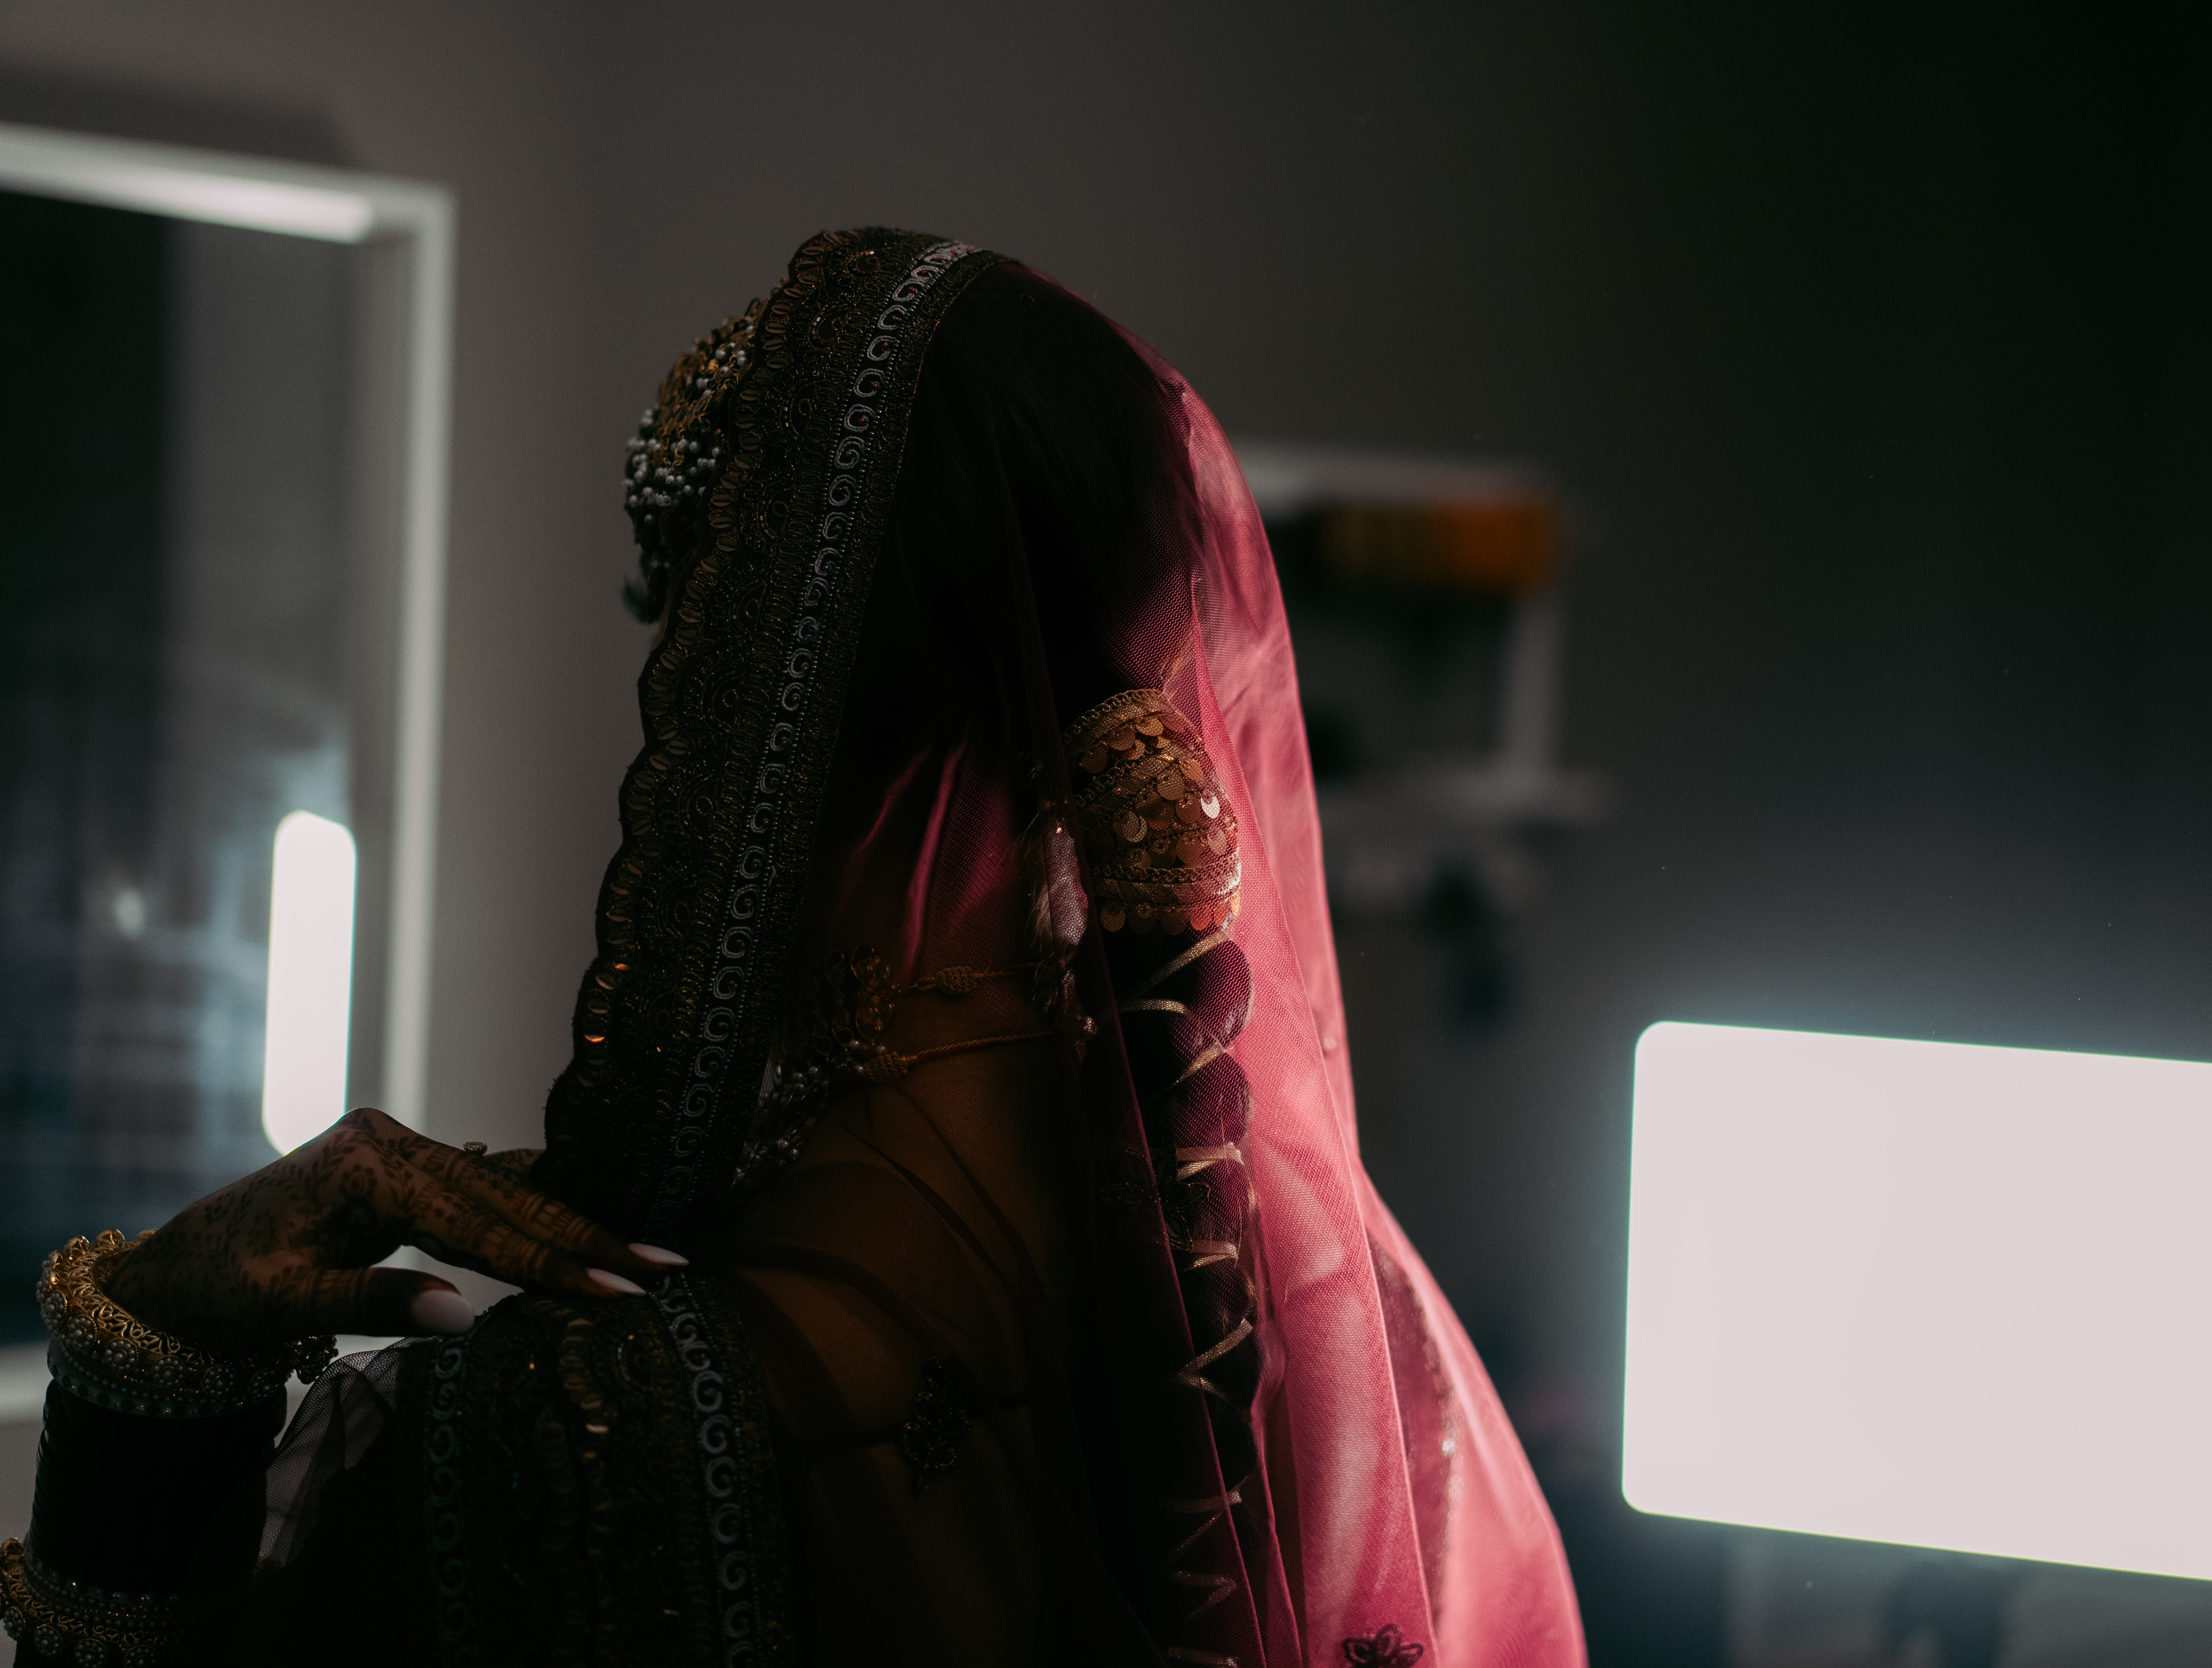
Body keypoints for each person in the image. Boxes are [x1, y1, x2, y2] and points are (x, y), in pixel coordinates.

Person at [2, 229, 1584, 1668]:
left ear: (763, 715)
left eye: (683, 657)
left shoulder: (578, 1441)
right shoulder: (1320, 1333)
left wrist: (160, 1340)